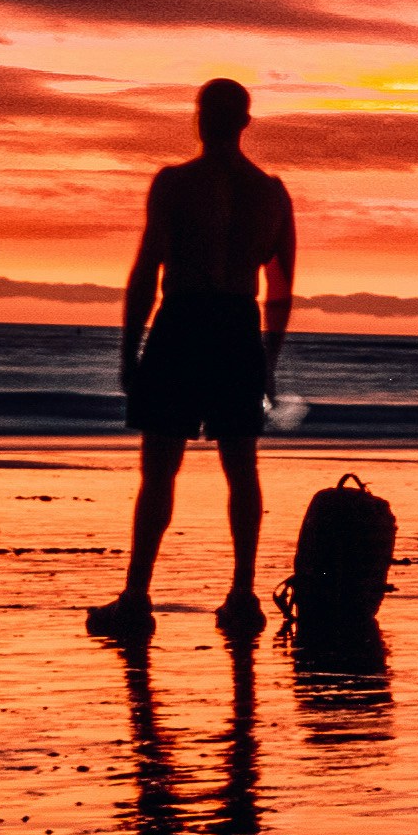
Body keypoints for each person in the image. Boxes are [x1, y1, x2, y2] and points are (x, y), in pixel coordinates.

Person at [87, 78, 299, 640]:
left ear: (201, 119)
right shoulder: (272, 194)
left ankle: (136, 596)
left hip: (183, 321)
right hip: (236, 326)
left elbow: (146, 271)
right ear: (246, 122)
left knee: (159, 470)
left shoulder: (177, 183)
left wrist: (129, 349)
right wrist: (269, 363)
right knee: (241, 468)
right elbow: (279, 290)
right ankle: (242, 595)